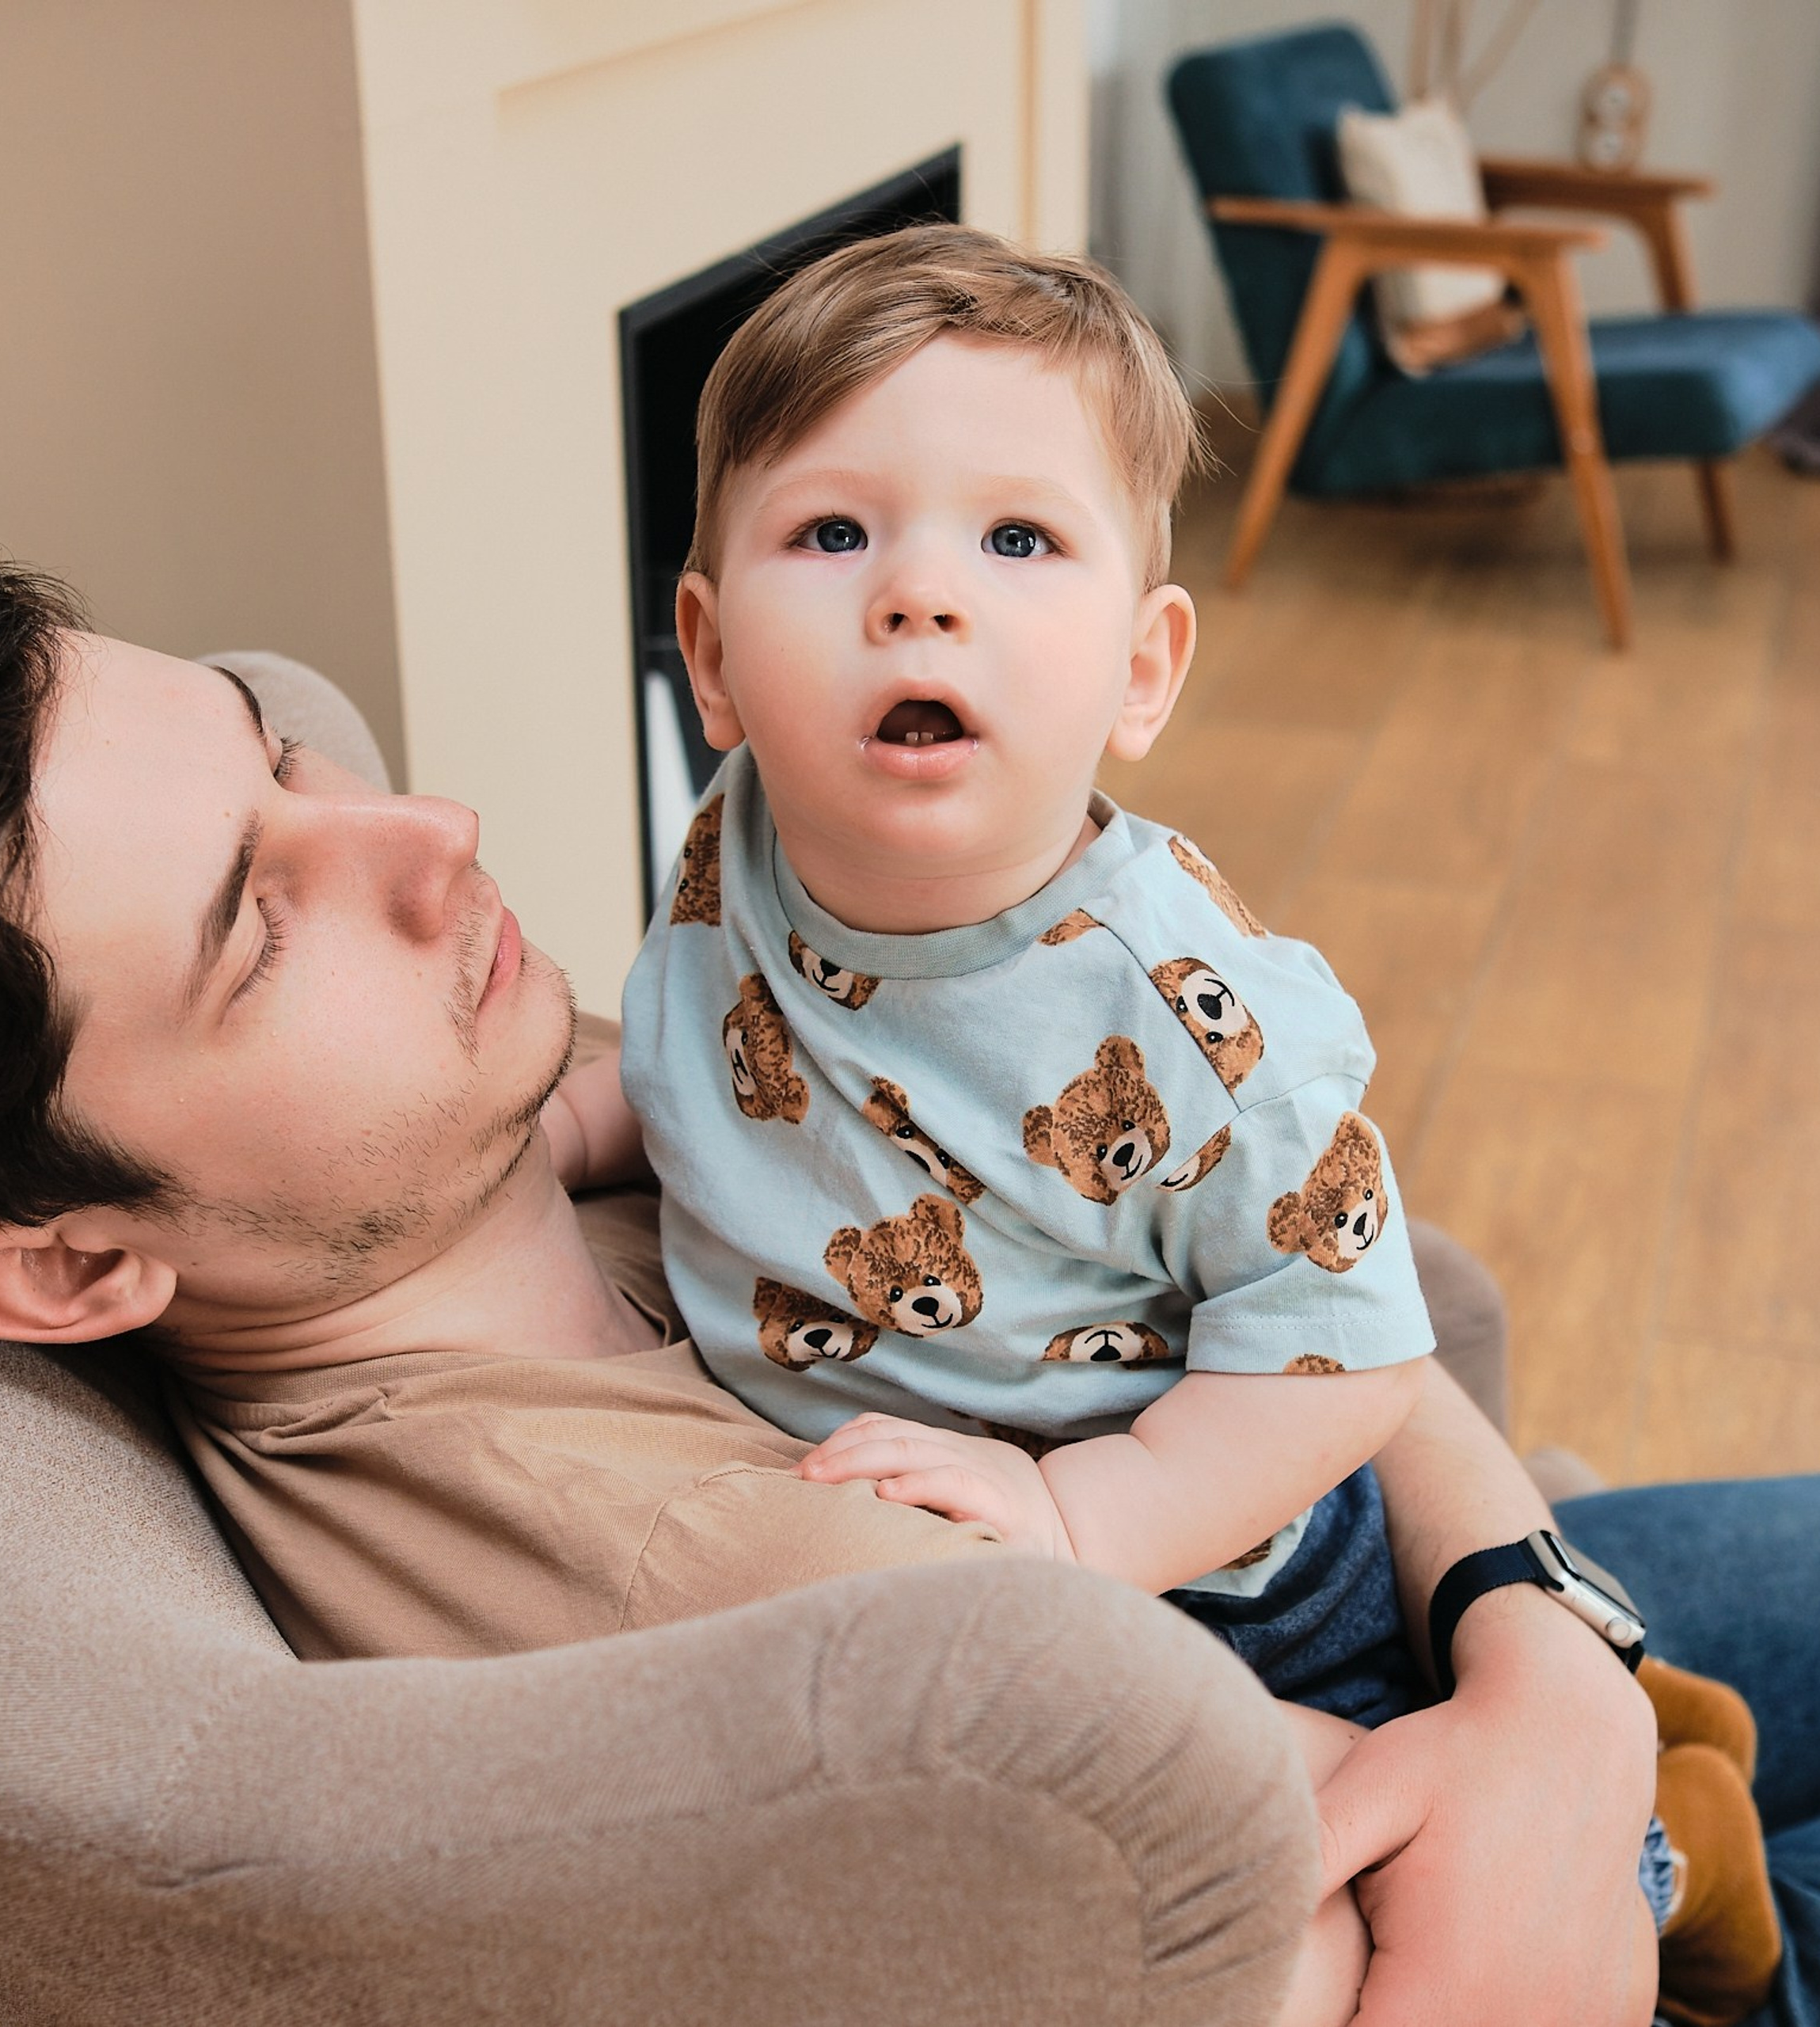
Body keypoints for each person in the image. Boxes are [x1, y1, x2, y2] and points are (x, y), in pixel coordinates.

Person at [0, 522, 1813, 2025]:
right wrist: (1565, 1712)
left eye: (282, 759)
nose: (427, 829)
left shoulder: (503, 1131)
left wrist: (1543, 1624)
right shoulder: (722, 1560)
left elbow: (1291, 1275)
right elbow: (1341, 1900)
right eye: (257, 919)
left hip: (1440, 1601)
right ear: (72, 1269)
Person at [606, 225, 1773, 2025]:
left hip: (1212, 1567)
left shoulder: (1188, 1016)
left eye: (1016, 540)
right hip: (983, 1596)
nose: (918, 594)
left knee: (1436, 1916)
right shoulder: (736, 842)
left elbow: (1346, 1350)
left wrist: (1089, 1515)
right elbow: (741, 1064)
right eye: (832, 531)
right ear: (707, 653)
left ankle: (1662, 1837)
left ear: (1141, 671)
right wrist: (571, 1124)